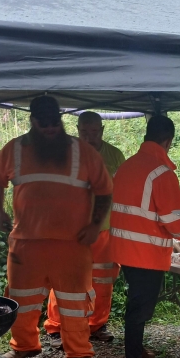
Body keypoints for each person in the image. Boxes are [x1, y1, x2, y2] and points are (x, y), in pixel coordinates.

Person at [0, 96, 112, 358]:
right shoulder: (15, 150)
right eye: (44, 124)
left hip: (72, 245)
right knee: (21, 299)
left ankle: (79, 352)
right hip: (26, 245)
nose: (51, 129)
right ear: (32, 122)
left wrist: (94, 225)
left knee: (75, 302)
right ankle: (22, 347)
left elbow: (104, 190)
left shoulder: (82, 152)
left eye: (56, 123)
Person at [110, 115, 180, 358]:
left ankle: (137, 353)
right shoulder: (161, 172)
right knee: (138, 312)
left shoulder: (126, 166)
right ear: (168, 141)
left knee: (136, 306)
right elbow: (173, 220)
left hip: (125, 250)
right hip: (146, 254)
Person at [45, 111, 126, 346]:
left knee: (103, 280)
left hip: (105, 229)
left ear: (101, 130)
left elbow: (122, 190)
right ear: (77, 130)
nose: (89, 137)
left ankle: (96, 324)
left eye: (94, 132)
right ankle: (57, 326)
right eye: (84, 132)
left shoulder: (115, 155)